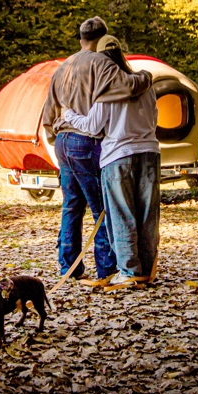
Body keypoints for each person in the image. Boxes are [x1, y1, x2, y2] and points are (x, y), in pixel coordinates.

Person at [42, 17, 152, 283]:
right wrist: (146, 76)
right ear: (104, 37)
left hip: (63, 142)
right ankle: (107, 269)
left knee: (71, 206)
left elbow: (48, 111)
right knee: (102, 207)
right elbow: (127, 87)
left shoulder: (63, 66)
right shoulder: (101, 63)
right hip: (87, 140)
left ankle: (69, 268)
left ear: (80, 38)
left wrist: (53, 132)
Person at [64, 35, 160, 291]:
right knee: (147, 215)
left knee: (121, 215)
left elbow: (94, 127)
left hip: (118, 155)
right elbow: (154, 118)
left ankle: (129, 271)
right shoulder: (146, 83)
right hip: (150, 152)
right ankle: (147, 270)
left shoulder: (107, 89)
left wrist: (69, 115)